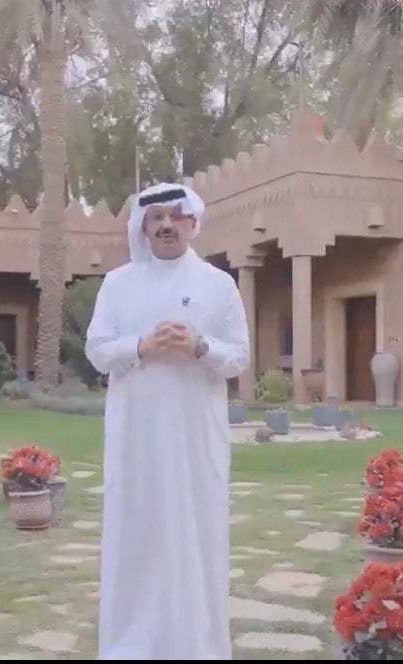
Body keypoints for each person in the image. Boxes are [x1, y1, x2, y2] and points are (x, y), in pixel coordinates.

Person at [85, 182, 251, 660]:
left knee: (195, 534)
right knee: (137, 532)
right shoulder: (118, 284)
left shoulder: (219, 285)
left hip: (196, 440)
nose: (165, 224)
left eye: (176, 216)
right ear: (143, 227)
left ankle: (195, 644)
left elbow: (238, 358)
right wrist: (140, 347)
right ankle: (131, 646)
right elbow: (97, 349)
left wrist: (200, 346)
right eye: (155, 217)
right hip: (136, 438)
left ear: (193, 224)